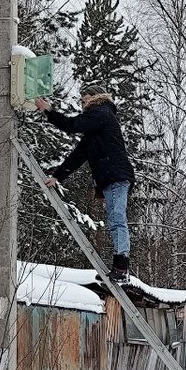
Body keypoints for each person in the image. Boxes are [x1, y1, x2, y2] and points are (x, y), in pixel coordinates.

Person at [35, 80, 135, 282]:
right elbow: (79, 155)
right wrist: (57, 176)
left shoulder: (101, 112)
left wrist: (48, 111)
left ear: (95, 97)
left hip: (115, 175)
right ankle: (120, 266)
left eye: (84, 98)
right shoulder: (97, 123)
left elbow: (71, 126)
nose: (81, 101)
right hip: (111, 177)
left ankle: (121, 268)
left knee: (117, 219)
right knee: (115, 219)